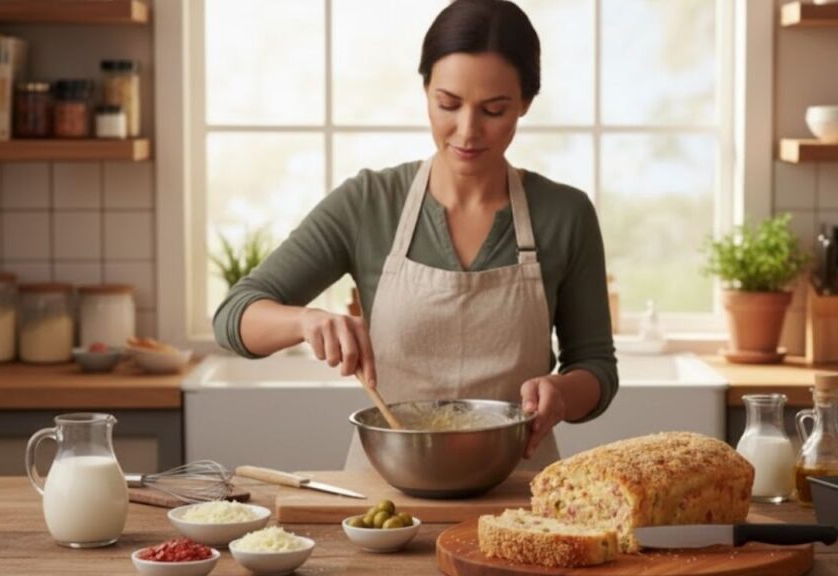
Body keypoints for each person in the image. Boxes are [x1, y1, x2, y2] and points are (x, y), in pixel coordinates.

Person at [213, 0, 617, 471]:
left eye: (493, 109)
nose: (467, 131)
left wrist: (562, 392)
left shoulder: (564, 214)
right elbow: (233, 318)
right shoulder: (369, 203)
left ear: (525, 102)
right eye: (448, 104)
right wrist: (305, 322)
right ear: (425, 90)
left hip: (518, 494)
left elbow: (596, 369)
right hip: (386, 495)